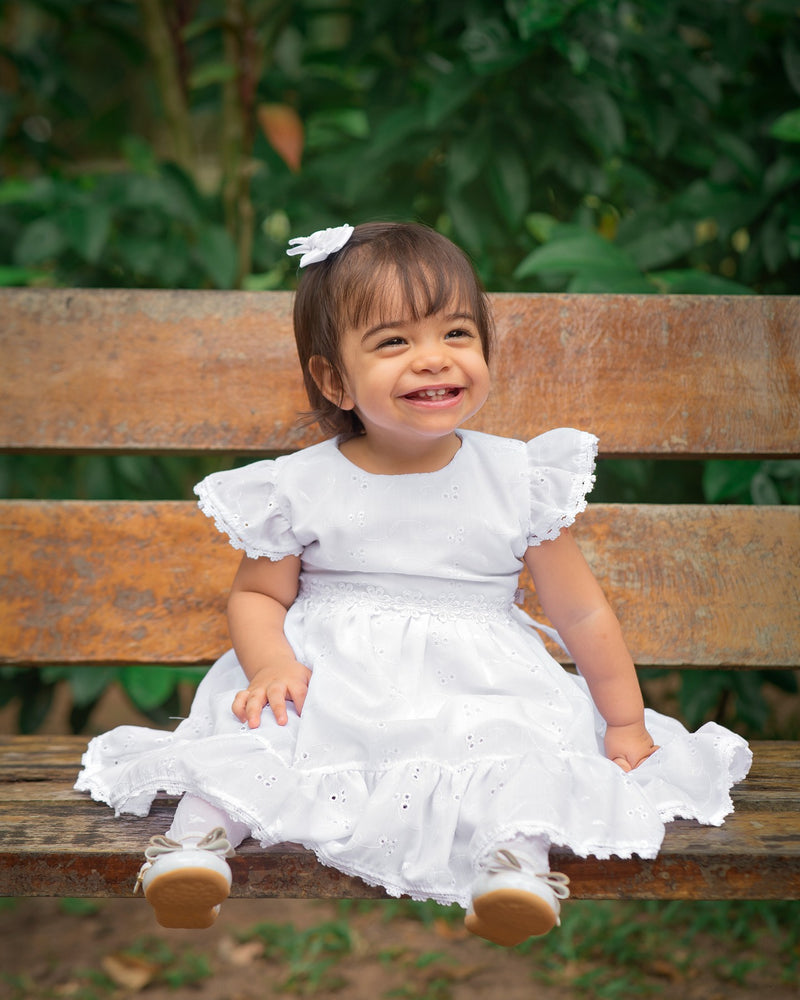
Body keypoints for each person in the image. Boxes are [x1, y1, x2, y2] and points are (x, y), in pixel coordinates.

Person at [76, 222, 751, 945]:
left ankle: (512, 869)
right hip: (330, 678)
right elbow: (256, 596)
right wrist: (272, 664)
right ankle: (195, 852)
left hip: (478, 681)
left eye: (457, 333)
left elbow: (580, 611)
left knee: (513, 744)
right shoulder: (300, 484)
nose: (434, 359)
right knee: (267, 732)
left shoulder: (518, 476)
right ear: (335, 379)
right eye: (394, 342)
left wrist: (624, 720)